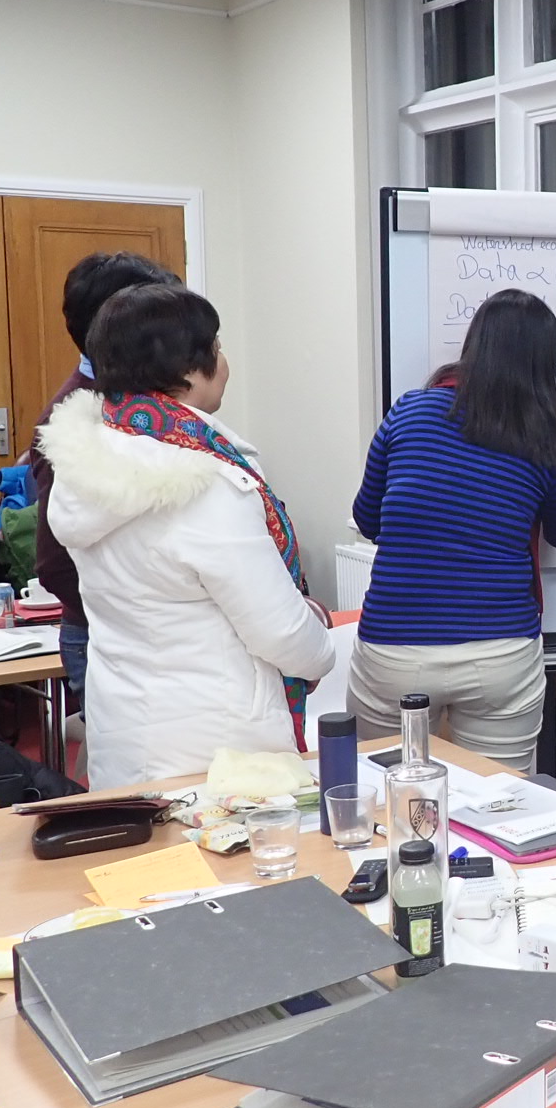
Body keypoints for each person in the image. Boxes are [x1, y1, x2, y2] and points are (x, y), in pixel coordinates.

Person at [38, 284, 334, 789]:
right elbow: (280, 631)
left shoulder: (89, 464)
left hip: (127, 730)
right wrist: (321, 646)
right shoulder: (205, 483)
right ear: (188, 370)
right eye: (216, 347)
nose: (225, 363)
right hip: (216, 748)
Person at [347, 289, 556, 771]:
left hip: (396, 646)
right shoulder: (544, 436)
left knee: (384, 795)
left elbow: (369, 519)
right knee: (499, 800)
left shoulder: (410, 411)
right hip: (500, 651)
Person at [28, 251, 181, 701]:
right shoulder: (75, 420)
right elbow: (55, 563)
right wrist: (140, 617)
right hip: (112, 638)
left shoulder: (143, 400)